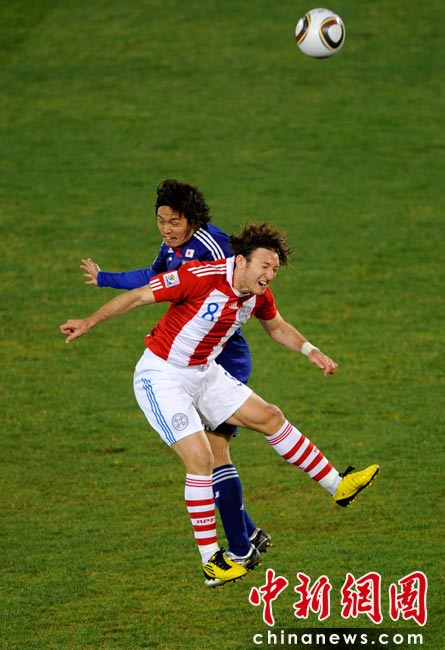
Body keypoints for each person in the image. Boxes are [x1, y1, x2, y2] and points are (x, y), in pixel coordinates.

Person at [61, 222, 379, 588]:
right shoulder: (200, 276)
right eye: (265, 265)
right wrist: (89, 322)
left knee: (270, 416)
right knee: (201, 459)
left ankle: (338, 486)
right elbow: (138, 297)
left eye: (275, 269)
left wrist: (311, 350)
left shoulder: (258, 294)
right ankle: (211, 561)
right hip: (162, 376)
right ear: (241, 261)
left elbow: (277, 327)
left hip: (204, 373)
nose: (270, 274)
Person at [79, 179, 270, 570]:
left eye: (174, 221)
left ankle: (242, 544)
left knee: (214, 455)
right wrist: (104, 278)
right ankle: (247, 537)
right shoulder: (173, 246)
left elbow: (243, 289)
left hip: (220, 358)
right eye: (161, 221)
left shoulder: (217, 247)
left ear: (193, 219)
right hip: (189, 360)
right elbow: (153, 277)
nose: (166, 229)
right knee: (210, 457)